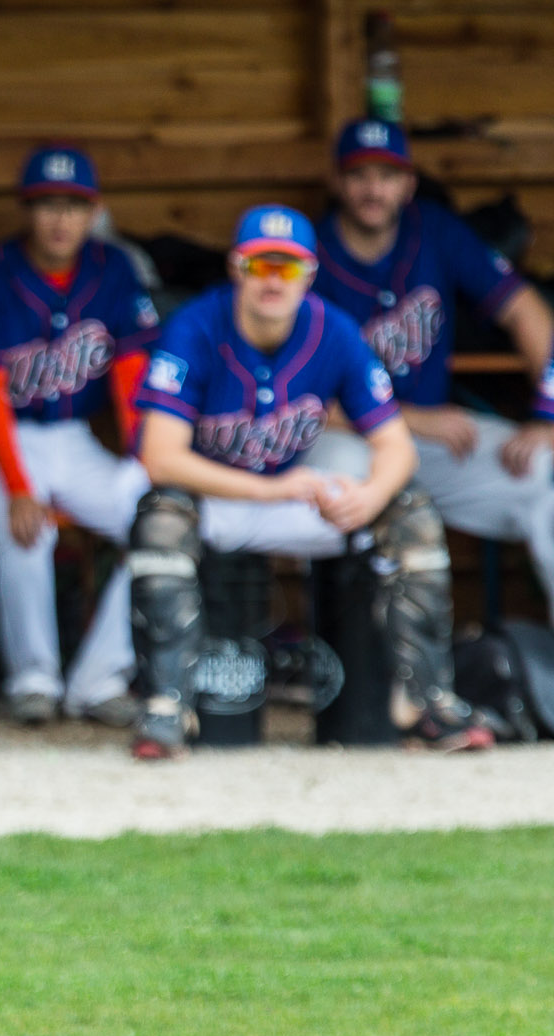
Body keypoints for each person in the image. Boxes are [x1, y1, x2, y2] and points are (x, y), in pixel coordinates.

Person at [128, 205, 493, 759]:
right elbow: (160, 457)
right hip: (222, 498)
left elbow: (394, 445)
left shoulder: (334, 330)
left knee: (410, 512)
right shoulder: (196, 326)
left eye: (289, 267)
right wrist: (271, 489)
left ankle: (429, 703)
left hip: (296, 497)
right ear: (236, 267)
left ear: (309, 274)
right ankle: (166, 709)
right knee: (159, 517)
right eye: (261, 265)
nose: (274, 280)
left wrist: (371, 495)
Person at [0, 147, 159, 727]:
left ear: (93, 212)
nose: (60, 220)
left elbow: (130, 375)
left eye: (73, 206)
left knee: (158, 519)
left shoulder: (113, 270)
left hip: (72, 437)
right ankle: (33, 678)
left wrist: (146, 455)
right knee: (27, 528)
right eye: (47, 206)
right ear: (28, 211)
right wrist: (18, 486)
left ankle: (99, 679)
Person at [311, 118, 554, 616]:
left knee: (545, 474)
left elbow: (526, 311)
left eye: (387, 175)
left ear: (408, 184)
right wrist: (412, 419)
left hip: (435, 443)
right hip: (349, 439)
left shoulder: (437, 230)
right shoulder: (310, 256)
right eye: (359, 175)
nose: (373, 189)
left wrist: (548, 416)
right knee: (343, 490)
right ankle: (360, 677)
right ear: (337, 182)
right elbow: (301, 403)